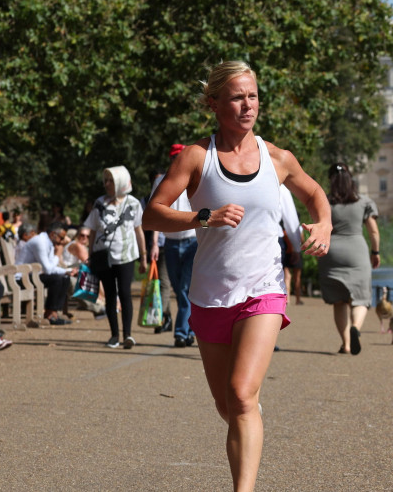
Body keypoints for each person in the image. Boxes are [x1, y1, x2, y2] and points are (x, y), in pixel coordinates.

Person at [142, 60, 331, 491]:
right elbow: (153, 214)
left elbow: (315, 192)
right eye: (236, 97)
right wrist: (203, 217)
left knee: (243, 394)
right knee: (229, 405)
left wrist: (323, 224)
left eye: (253, 95)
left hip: (262, 291)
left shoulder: (278, 159)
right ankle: (250, 425)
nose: (248, 105)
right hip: (210, 295)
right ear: (214, 104)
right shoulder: (196, 158)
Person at [317, 163, 381, 356]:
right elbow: (374, 231)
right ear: (350, 179)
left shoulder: (324, 202)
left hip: (331, 252)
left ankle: (345, 344)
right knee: (360, 298)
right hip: (357, 252)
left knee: (339, 301)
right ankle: (356, 328)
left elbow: (317, 226)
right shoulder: (364, 202)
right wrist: (375, 252)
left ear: (330, 180)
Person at [84, 166, 148, 349]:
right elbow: (93, 231)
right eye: (105, 180)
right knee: (110, 296)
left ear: (120, 182)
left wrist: (143, 257)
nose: (106, 184)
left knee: (125, 294)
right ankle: (114, 336)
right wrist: (90, 256)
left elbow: (139, 231)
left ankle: (128, 335)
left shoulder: (133, 203)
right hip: (104, 256)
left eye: (111, 180)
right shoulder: (99, 203)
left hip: (126, 256)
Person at [150, 144, 197, 347]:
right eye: (174, 158)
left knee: (186, 289)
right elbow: (155, 213)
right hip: (170, 243)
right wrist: (153, 243)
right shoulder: (160, 182)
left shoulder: (196, 179)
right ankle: (191, 327)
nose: (178, 161)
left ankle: (180, 332)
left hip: (192, 241)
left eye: (180, 157)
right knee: (179, 290)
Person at [15, 221, 75, 325]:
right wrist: (58, 254)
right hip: (21, 278)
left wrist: (67, 272)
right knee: (56, 279)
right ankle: (50, 314)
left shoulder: (49, 243)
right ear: (53, 234)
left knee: (65, 278)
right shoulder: (40, 242)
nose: (62, 241)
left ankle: (54, 312)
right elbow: (48, 269)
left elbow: (51, 267)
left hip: (32, 275)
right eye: (61, 238)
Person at [144, 168, 174, 335]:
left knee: (166, 282)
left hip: (171, 242)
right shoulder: (148, 200)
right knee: (163, 282)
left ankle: (162, 317)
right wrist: (153, 244)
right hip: (160, 246)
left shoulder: (175, 192)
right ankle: (165, 316)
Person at [278, 185, 304, 306]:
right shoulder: (279, 185)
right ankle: (294, 299)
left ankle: (287, 297)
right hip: (276, 241)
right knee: (294, 277)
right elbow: (291, 220)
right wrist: (297, 248)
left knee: (286, 276)